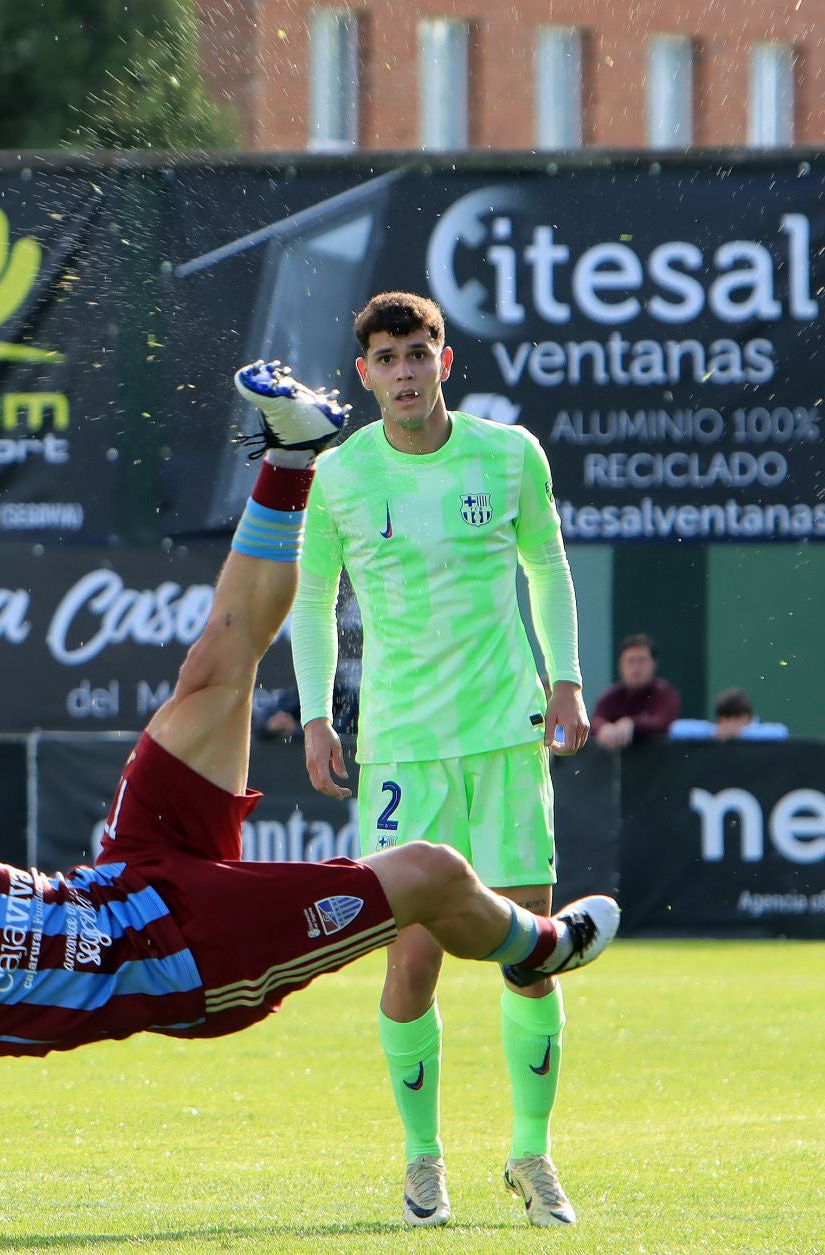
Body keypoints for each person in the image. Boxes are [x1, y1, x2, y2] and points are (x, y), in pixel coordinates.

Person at [0, 363, 619, 1255]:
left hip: (127, 868)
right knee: (433, 871)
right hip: (184, 960)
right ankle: (545, 945)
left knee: (214, 663)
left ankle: (290, 453)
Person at [288, 291, 593, 1228]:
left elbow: (547, 563)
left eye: (419, 353)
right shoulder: (339, 477)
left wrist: (568, 678)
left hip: (506, 731)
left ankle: (533, 1153)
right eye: (388, 358)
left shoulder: (510, 454)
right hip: (403, 749)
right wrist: (314, 715)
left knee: (529, 954)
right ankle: (424, 1160)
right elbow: (310, 600)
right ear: (365, 374)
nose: (406, 371)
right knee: (411, 958)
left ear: (444, 361)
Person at [592, 634, 681, 750]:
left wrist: (632, 723)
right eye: (630, 661)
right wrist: (603, 727)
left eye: (642, 660)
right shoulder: (612, 695)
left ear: (654, 663)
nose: (636, 667)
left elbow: (663, 721)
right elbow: (595, 719)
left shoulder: (665, 693)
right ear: (621, 665)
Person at [670, 686, 789, 742]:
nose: (731, 724)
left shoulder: (761, 731)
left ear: (749, 718)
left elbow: (781, 732)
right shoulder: (715, 731)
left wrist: (741, 734)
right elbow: (676, 729)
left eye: (737, 719)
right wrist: (713, 733)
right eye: (726, 718)